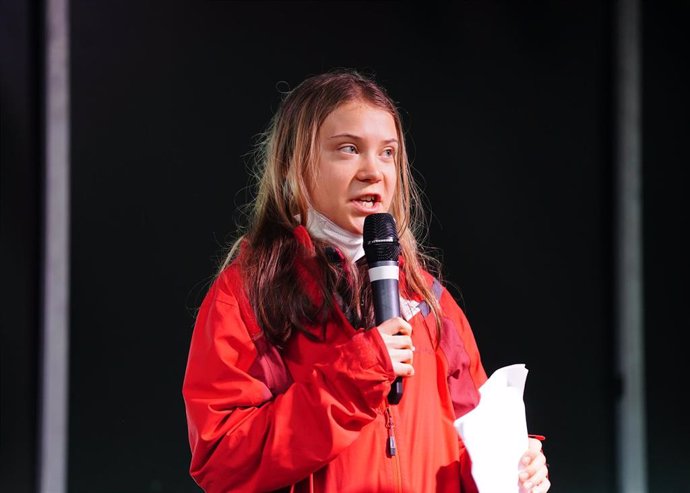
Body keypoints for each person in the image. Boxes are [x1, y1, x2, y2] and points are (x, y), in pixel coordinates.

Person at [182, 69, 551, 493]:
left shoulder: (430, 301)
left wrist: (512, 470)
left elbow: (467, 447)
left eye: (387, 153)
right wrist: (354, 376)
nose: (373, 171)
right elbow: (222, 460)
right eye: (348, 149)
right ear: (292, 165)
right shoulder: (248, 294)